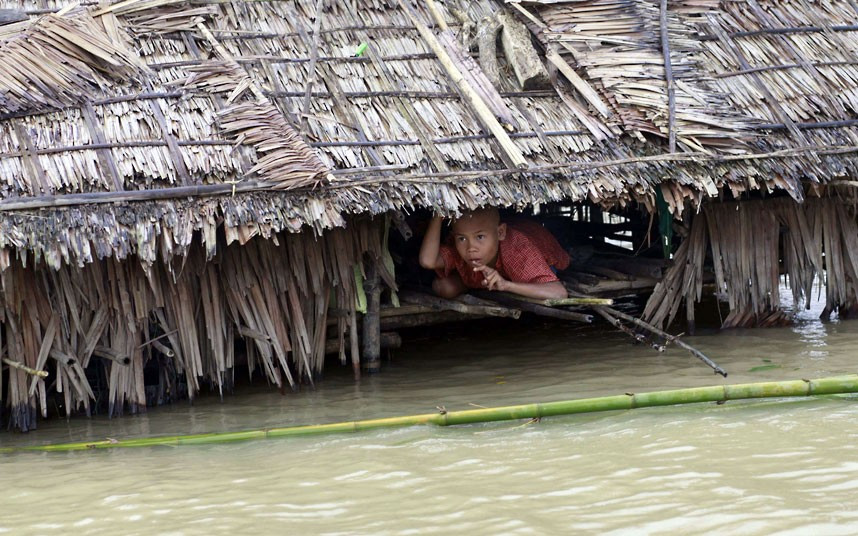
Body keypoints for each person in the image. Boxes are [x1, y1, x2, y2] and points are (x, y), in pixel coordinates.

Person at [418, 208, 570, 300]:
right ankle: (477, 281)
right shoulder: (462, 249)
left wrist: (506, 285)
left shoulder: (517, 249)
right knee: (444, 287)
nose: (471, 248)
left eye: (480, 237)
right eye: (462, 238)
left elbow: (558, 292)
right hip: (494, 265)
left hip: (545, 253)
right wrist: (437, 216)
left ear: (500, 233)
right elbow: (427, 261)